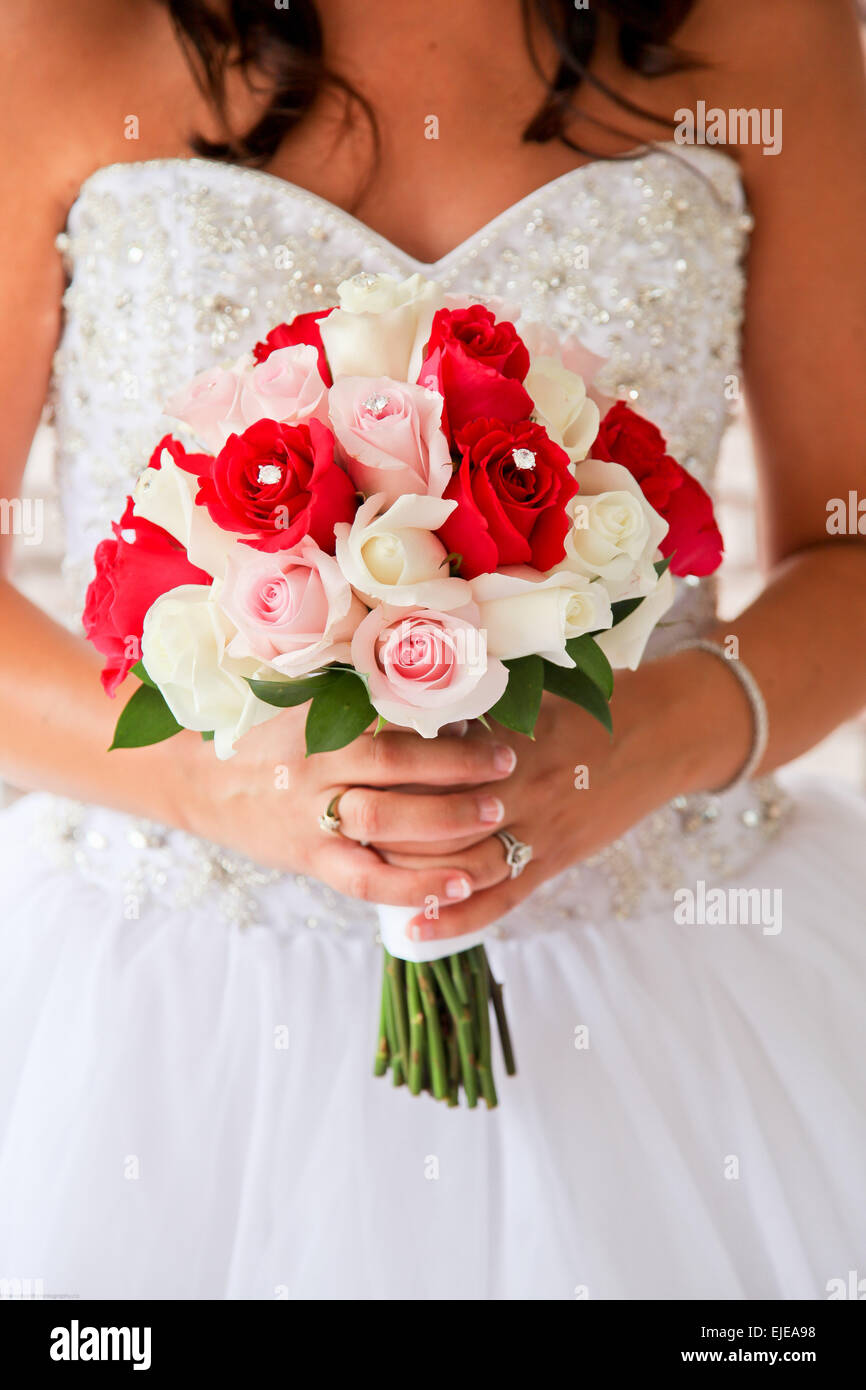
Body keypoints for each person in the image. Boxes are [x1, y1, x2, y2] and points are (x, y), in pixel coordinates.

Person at [0, 0, 864, 1299]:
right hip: (171, 1006)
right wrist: (209, 778)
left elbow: (850, 551)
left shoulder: (766, 28)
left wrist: (642, 739)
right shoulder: (61, 30)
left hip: (660, 986)